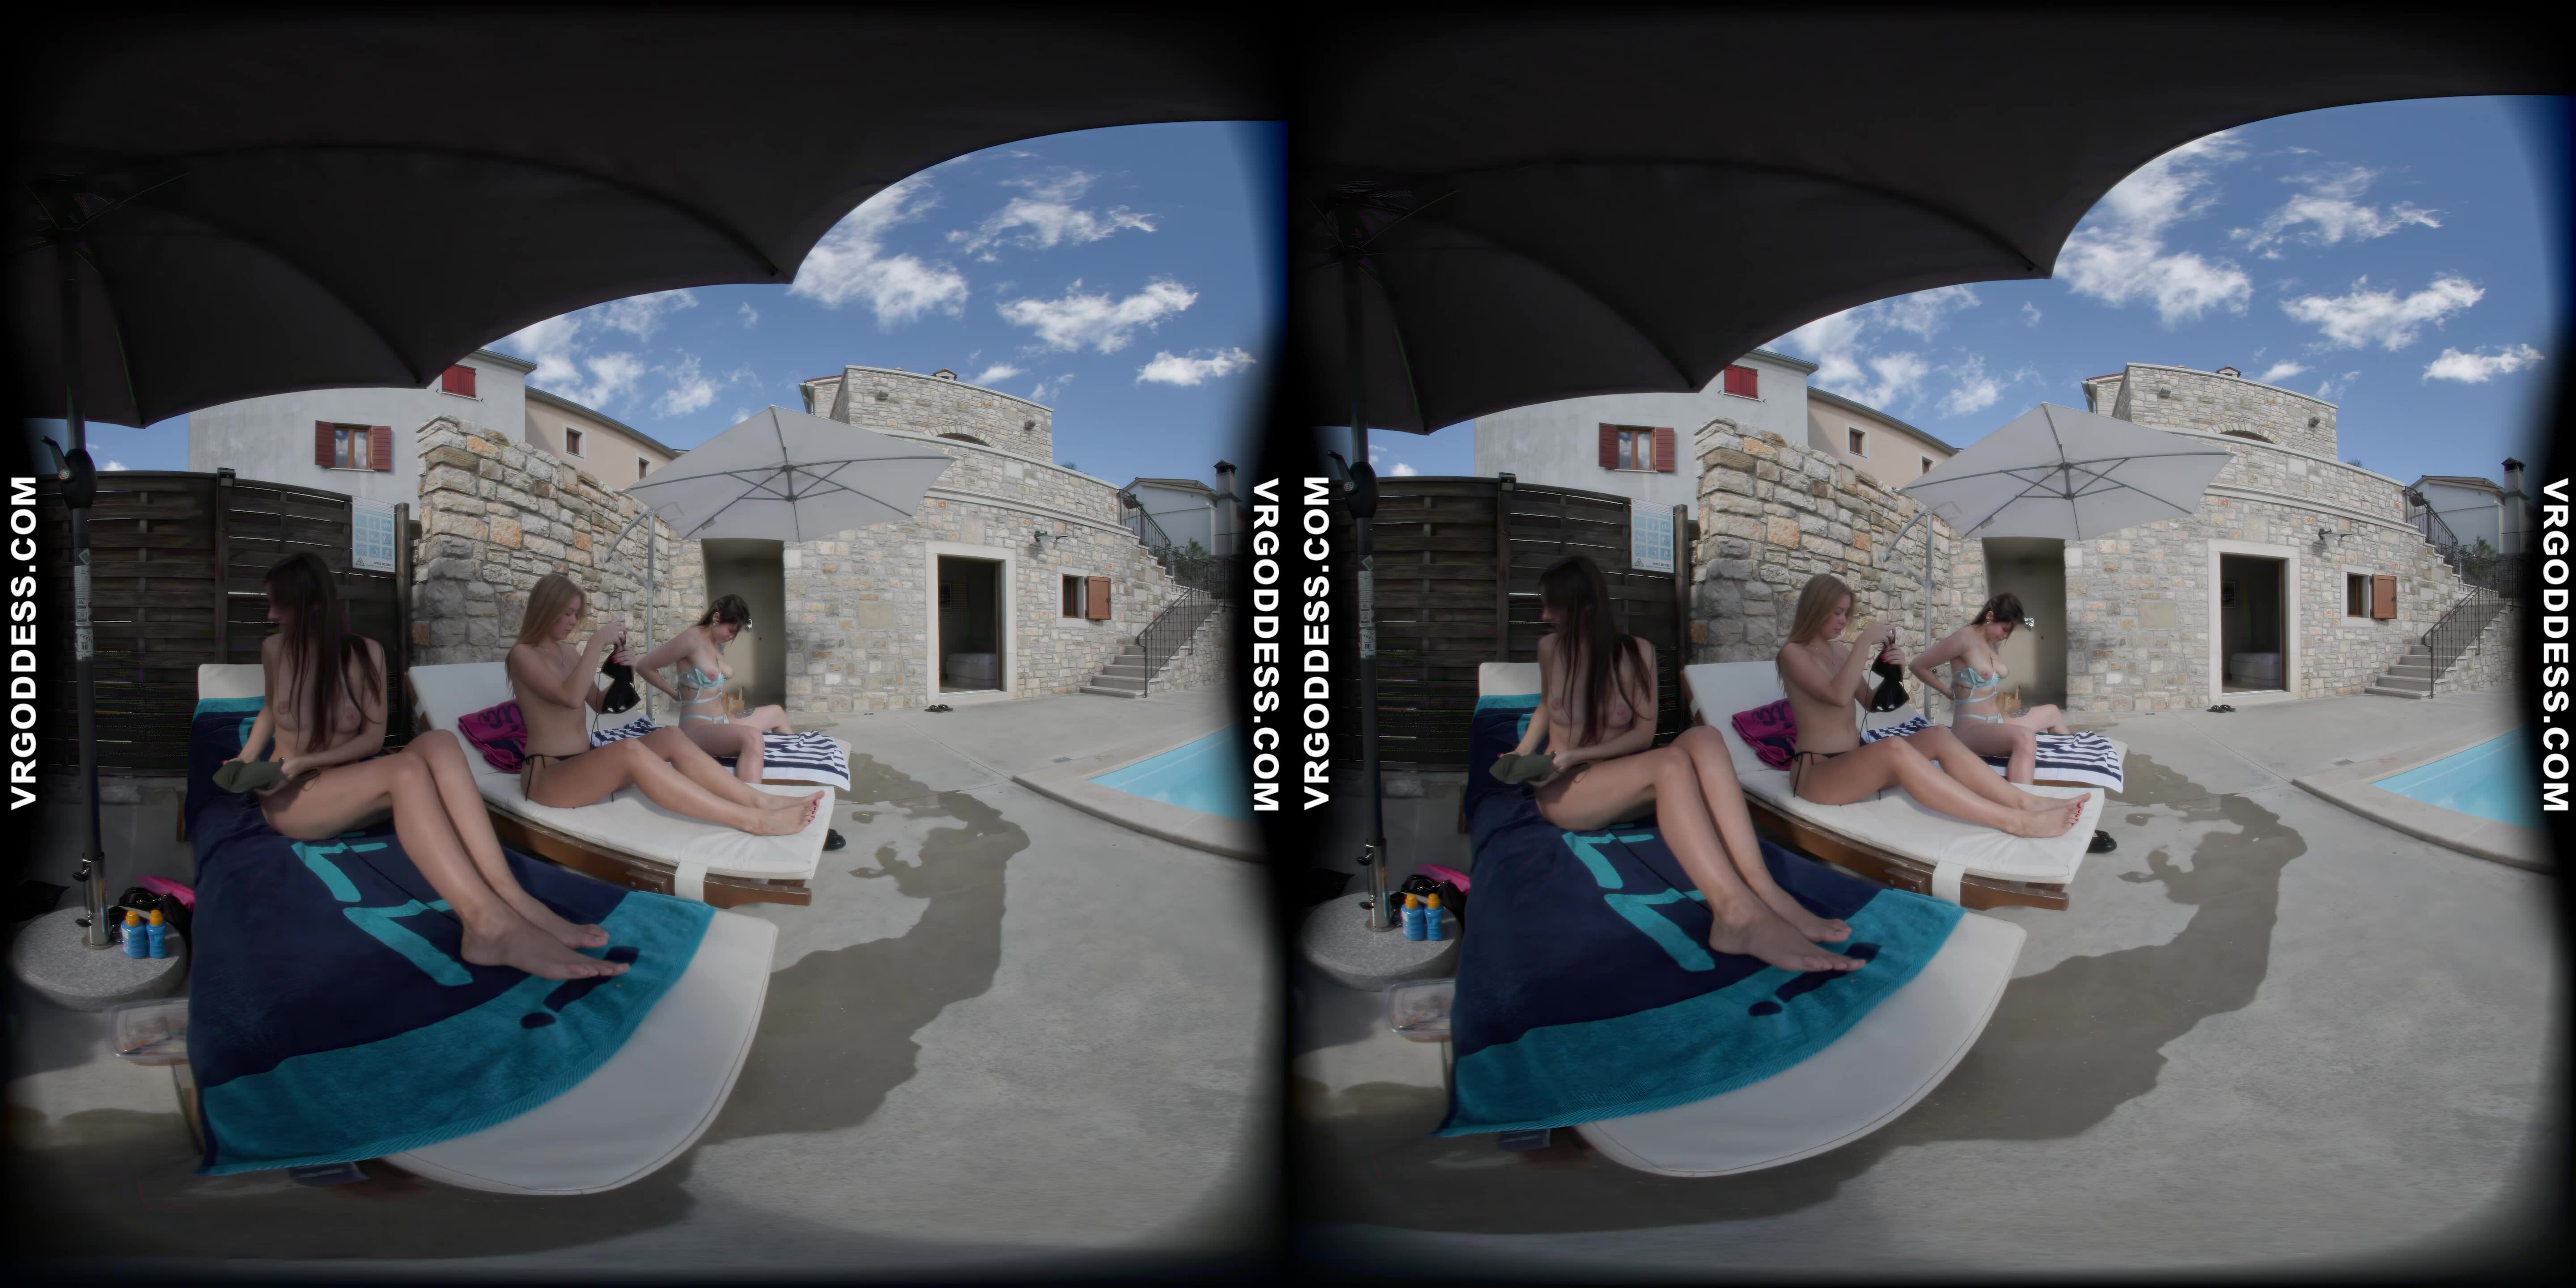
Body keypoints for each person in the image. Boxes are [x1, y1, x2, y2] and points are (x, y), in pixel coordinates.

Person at [227, 553, 628, 981]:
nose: (271, 616)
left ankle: (513, 896)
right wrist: (245, 760)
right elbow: (269, 711)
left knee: (440, 741)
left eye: (281, 605)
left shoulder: (366, 654)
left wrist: (307, 760)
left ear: (314, 604)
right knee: (405, 772)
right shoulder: (275, 650)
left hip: (337, 781)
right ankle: (486, 925)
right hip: (293, 797)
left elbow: (371, 741)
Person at [1501, 555, 1863, 974]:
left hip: (1612, 778)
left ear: (1585, 606)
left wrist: (1577, 754)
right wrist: (1522, 753)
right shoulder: (1550, 650)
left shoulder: (1637, 653)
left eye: (1553, 606)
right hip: (1568, 791)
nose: (1545, 616)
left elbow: (1642, 736)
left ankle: (1765, 889)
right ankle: (1735, 915)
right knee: (1670, 764)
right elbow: (1546, 707)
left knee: (1705, 737)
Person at [504, 573, 823, 839]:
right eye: (567, 613)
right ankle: (751, 820)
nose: (573, 621)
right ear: (545, 609)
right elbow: (571, 698)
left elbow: (599, 704)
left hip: (581, 766)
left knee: (671, 736)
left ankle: (760, 801)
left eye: (576, 613)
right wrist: (596, 643)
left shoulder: (569, 653)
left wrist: (623, 673)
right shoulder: (523, 655)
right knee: (630, 750)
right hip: (548, 777)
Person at [1775, 574, 2082, 839]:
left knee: (1938, 734)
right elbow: (1838, 696)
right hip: (1817, 775)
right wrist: (1864, 643)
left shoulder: (1840, 653)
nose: (1843, 621)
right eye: (1837, 613)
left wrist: (1893, 673)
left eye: (1846, 613)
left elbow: (1870, 702)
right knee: (1894, 747)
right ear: (1816, 609)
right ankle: (2015, 822)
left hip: (1852, 765)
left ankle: (2026, 801)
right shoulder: (1793, 653)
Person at [1909, 593, 2075, 784]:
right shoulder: (1964, 638)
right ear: (1990, 617)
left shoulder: (1991, 644)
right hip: (1971, 729)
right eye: (2005, 629)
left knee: (2053, 712)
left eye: (2009, 632)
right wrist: (1948, 693)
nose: (2005, 635)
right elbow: (1918, 666)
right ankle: (2021, 799)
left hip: (1997, 720)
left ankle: (2074, 769)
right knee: (2025, 738)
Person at [633, 594, 797, 784]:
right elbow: (644, 666)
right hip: (697, 729)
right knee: (753, 738)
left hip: (722, 721)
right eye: (731, 630)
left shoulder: (715, 644)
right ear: (717, 618)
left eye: (736, 632)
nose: (732, 636)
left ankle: (798, 768)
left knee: (777, 713)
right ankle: (751, 798)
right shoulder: (691, 639)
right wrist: (674, 693)